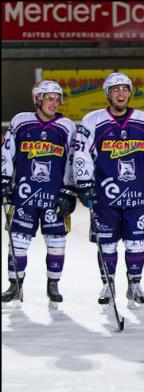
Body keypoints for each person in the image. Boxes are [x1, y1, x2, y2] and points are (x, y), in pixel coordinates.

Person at [73, 72, 144, 309]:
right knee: (107, 244)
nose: (121, 93)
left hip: (138, 196)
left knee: (137, 244)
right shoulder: (92, 120)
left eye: (124, 89)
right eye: (115, 89)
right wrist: (84, 184)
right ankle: (108, 283)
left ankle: (134, 285)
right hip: (106, 197)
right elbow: (81, 155)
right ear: (108, 94)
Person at [1, 80, 76, 309]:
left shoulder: (66, 125)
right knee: (17, 242)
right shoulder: (20, 121)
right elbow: (7, 152)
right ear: (37, 99)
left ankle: (53, 285)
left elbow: (73, 160)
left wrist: (69, 190)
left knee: (56, 243)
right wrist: (4, 179)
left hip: (54, 197)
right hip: (24, 195)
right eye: (49, 98)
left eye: (57, 98)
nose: (54, 103)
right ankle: (15, 284)